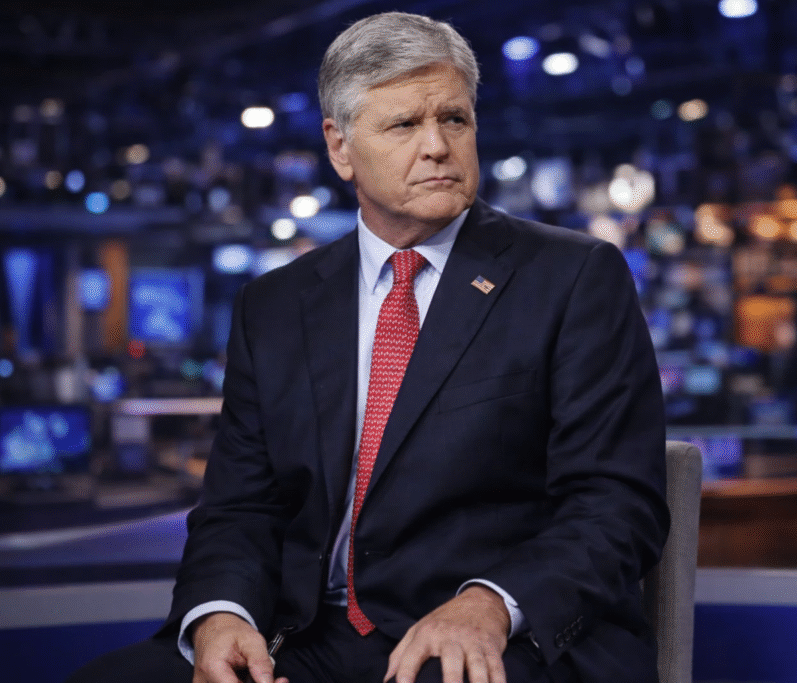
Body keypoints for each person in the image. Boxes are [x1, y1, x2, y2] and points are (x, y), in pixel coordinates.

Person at [68, 11, 668, 683]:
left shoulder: (574, 277)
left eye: (455, 119)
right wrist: (222, 616)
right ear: (340, 146)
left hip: (494, 638)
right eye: (405, 125)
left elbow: (617, 503)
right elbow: (241, 507)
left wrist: (492, 603)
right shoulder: (275, 305)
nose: (438, 145)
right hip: (309, 635)